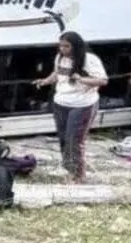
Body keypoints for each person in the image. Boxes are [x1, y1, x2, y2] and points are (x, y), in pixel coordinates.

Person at [32, 31, 108, 183]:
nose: (63, 49)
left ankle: (79, 174)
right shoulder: (60, 58)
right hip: (61, 102)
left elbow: (102, 81)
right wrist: (45, 81)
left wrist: (81, 79)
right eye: (61, 46)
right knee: (63, 138)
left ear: (76, 46)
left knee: (74, 140)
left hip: (82, 104)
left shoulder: (89, 59)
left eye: (66, 46)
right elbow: (57, 74)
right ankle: (69, 169)